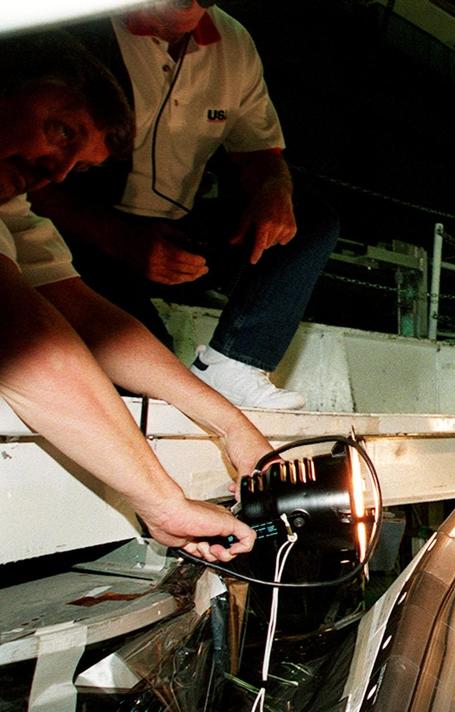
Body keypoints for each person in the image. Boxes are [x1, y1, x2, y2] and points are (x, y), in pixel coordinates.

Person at [0, 28, 266, 562]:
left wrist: (235, 427)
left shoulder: (11, 207)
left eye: (79, 166)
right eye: (61, 130)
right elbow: (25, 337)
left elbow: (89, 316)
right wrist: (163, 501)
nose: (56, 170)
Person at [30, 0, 339, 410]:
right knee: (145, 382)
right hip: (84, 237)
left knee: (311, 217)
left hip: (177, 235)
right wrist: (119, 239)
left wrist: (274, 188)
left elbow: (260, 153)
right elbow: (25, 178)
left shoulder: (234, 42)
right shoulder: (77, 26)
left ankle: (232, 362)